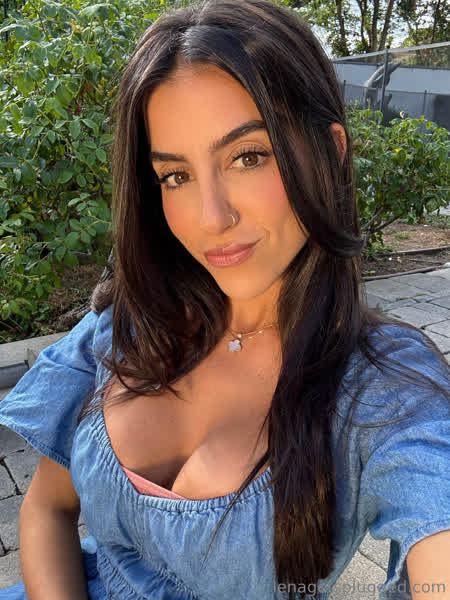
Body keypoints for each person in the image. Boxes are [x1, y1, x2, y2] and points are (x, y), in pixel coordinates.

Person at [0, 0, 449, 599]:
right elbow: (47, 508)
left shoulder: (384, 390)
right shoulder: (128, 324)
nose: (211, 218)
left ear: (331, 150)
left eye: (248, 157)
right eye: (176, 176)